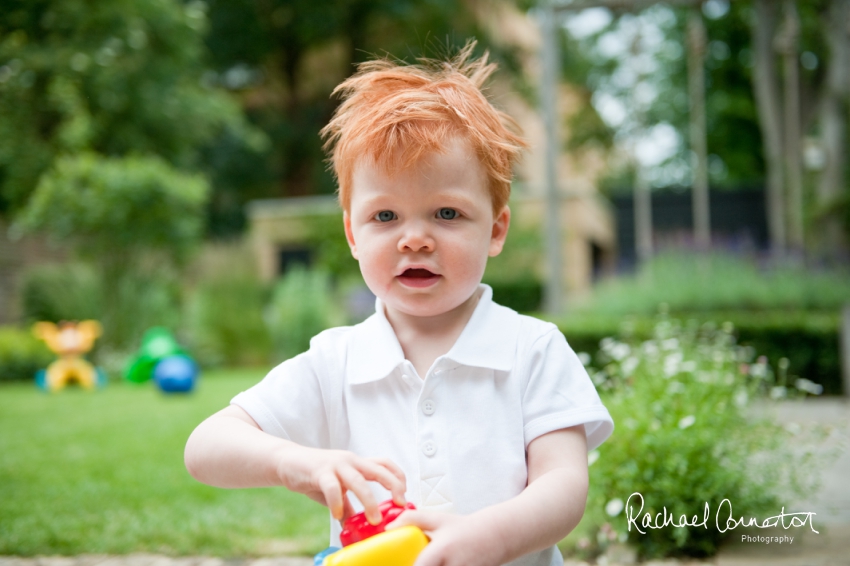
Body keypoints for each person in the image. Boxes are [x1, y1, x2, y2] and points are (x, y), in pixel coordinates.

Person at [184, 41, 613, 566]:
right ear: (352, 234)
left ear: (496, 229)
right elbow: (206, 447)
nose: (415, 239)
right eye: (385, 217)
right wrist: (297, 463)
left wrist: (489, 539)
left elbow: (565, 485)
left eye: (447, 214)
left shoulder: (532, 350)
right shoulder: (336, 362)